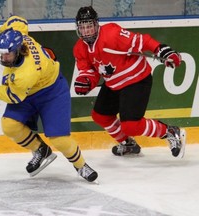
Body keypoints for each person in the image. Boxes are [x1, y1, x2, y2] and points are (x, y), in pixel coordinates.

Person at [0, 15, 98, 182]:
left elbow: (13, 96)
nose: (3, 58)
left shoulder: (26, 73)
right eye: (1, 54)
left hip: (51, 93)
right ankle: (41, 150)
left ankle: (81, 165)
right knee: (9, 125)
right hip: (27, 91)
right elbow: (17, 20)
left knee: (59, 139)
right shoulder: (19, 36)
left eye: (7, 55)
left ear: (18, 50)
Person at [73, 6, 186, 158]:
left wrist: (162, 50)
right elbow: (90, 71)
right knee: (100, 116)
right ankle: (128, 144)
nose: (86, 31)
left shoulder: (112, 34)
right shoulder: (79, 48)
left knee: (131, 126)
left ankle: (170, 132)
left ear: (96, 24)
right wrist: (86, 81)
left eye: (89, 26)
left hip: (136, 80)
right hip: (113, 83)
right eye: (83, 27)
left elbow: (142, 41)